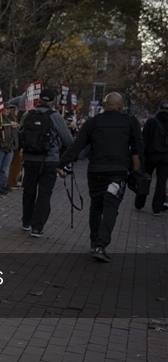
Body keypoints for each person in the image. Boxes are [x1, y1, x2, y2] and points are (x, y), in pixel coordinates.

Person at [58, 92, 143, 262]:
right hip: (117, 174)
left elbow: (77, 145)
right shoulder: (130, 122)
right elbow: (137, 150)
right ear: (120, 106)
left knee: (96, 207)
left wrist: (62, 164)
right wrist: (138, 173)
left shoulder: (93, 122)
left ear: (104, 105)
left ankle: (94, 242)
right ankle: (101, 245)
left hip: (96, 171)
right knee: (111, 208)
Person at [19, 89, 73, 237]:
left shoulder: (27, 115)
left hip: (30, 159)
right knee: (44, 193)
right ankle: (37, 227)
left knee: (29, 191)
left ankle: (26, 221)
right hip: (49, 161)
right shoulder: (56, 117)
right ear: (52, 101)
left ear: (39, 100)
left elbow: (20, 133)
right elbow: (68, 141)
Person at [135, 101, 168, 215]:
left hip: (151, 154)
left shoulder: (151, 122)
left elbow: (144, 140)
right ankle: (157, 207)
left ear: (159, 108)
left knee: (145, 178)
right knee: (162, 181)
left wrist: (141, 155)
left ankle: (139, 203)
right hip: (166, 156)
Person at [0, 105, 19, 196]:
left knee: (5, 168)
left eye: (9, 109)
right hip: (1, 146)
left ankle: (2, 185)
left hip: (9, 146)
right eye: (6, 108)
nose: (7, 110)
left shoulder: (8, 119)